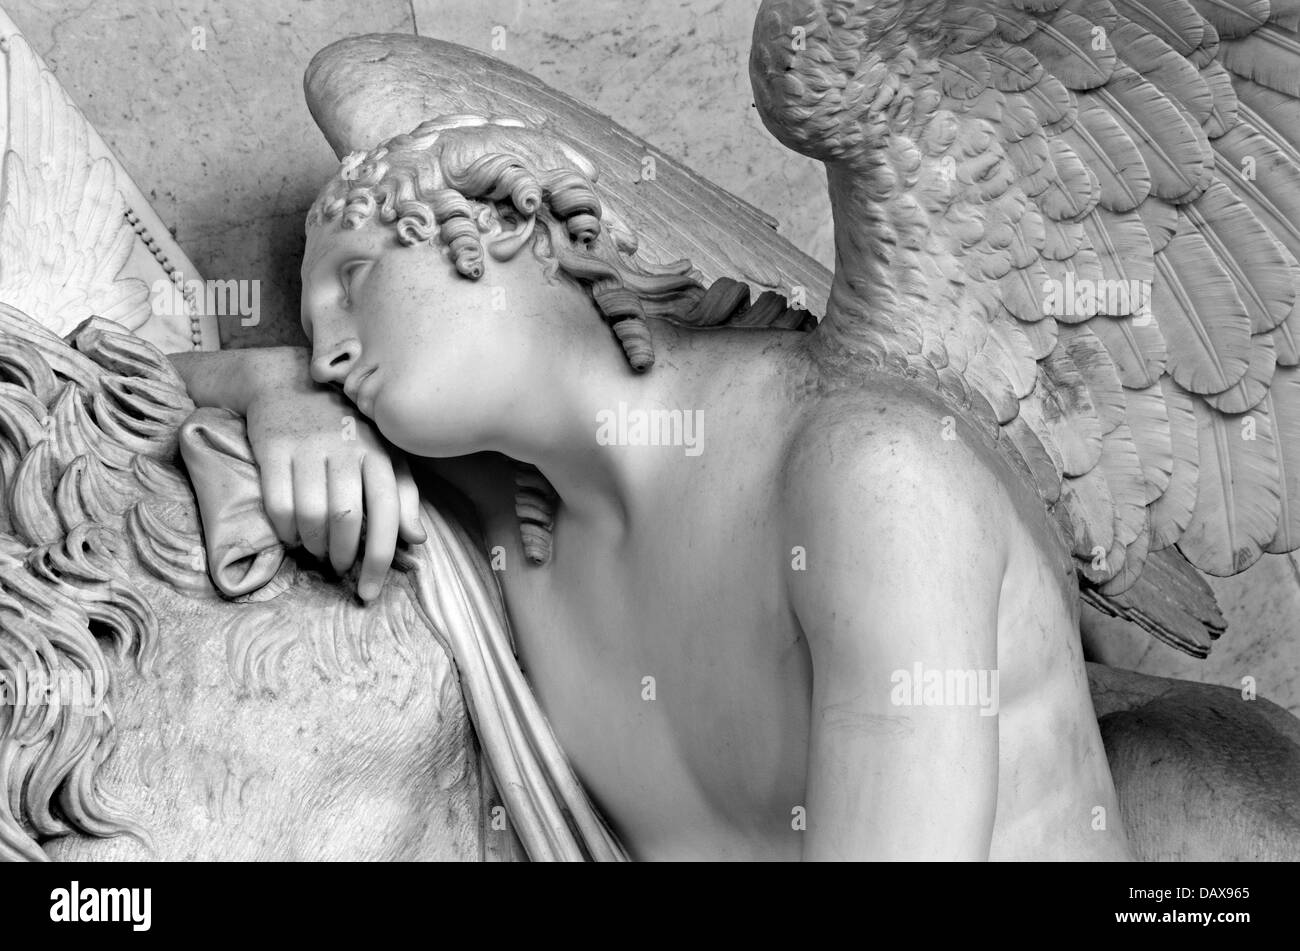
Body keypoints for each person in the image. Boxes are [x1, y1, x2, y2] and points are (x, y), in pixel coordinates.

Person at [171, 115, 1133, 860]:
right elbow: (93, 371)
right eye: (310, 329)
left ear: (514, 230)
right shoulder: (512, 521)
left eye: (355, 279)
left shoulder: (869, 472)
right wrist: (276, 386)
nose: (328, 348)